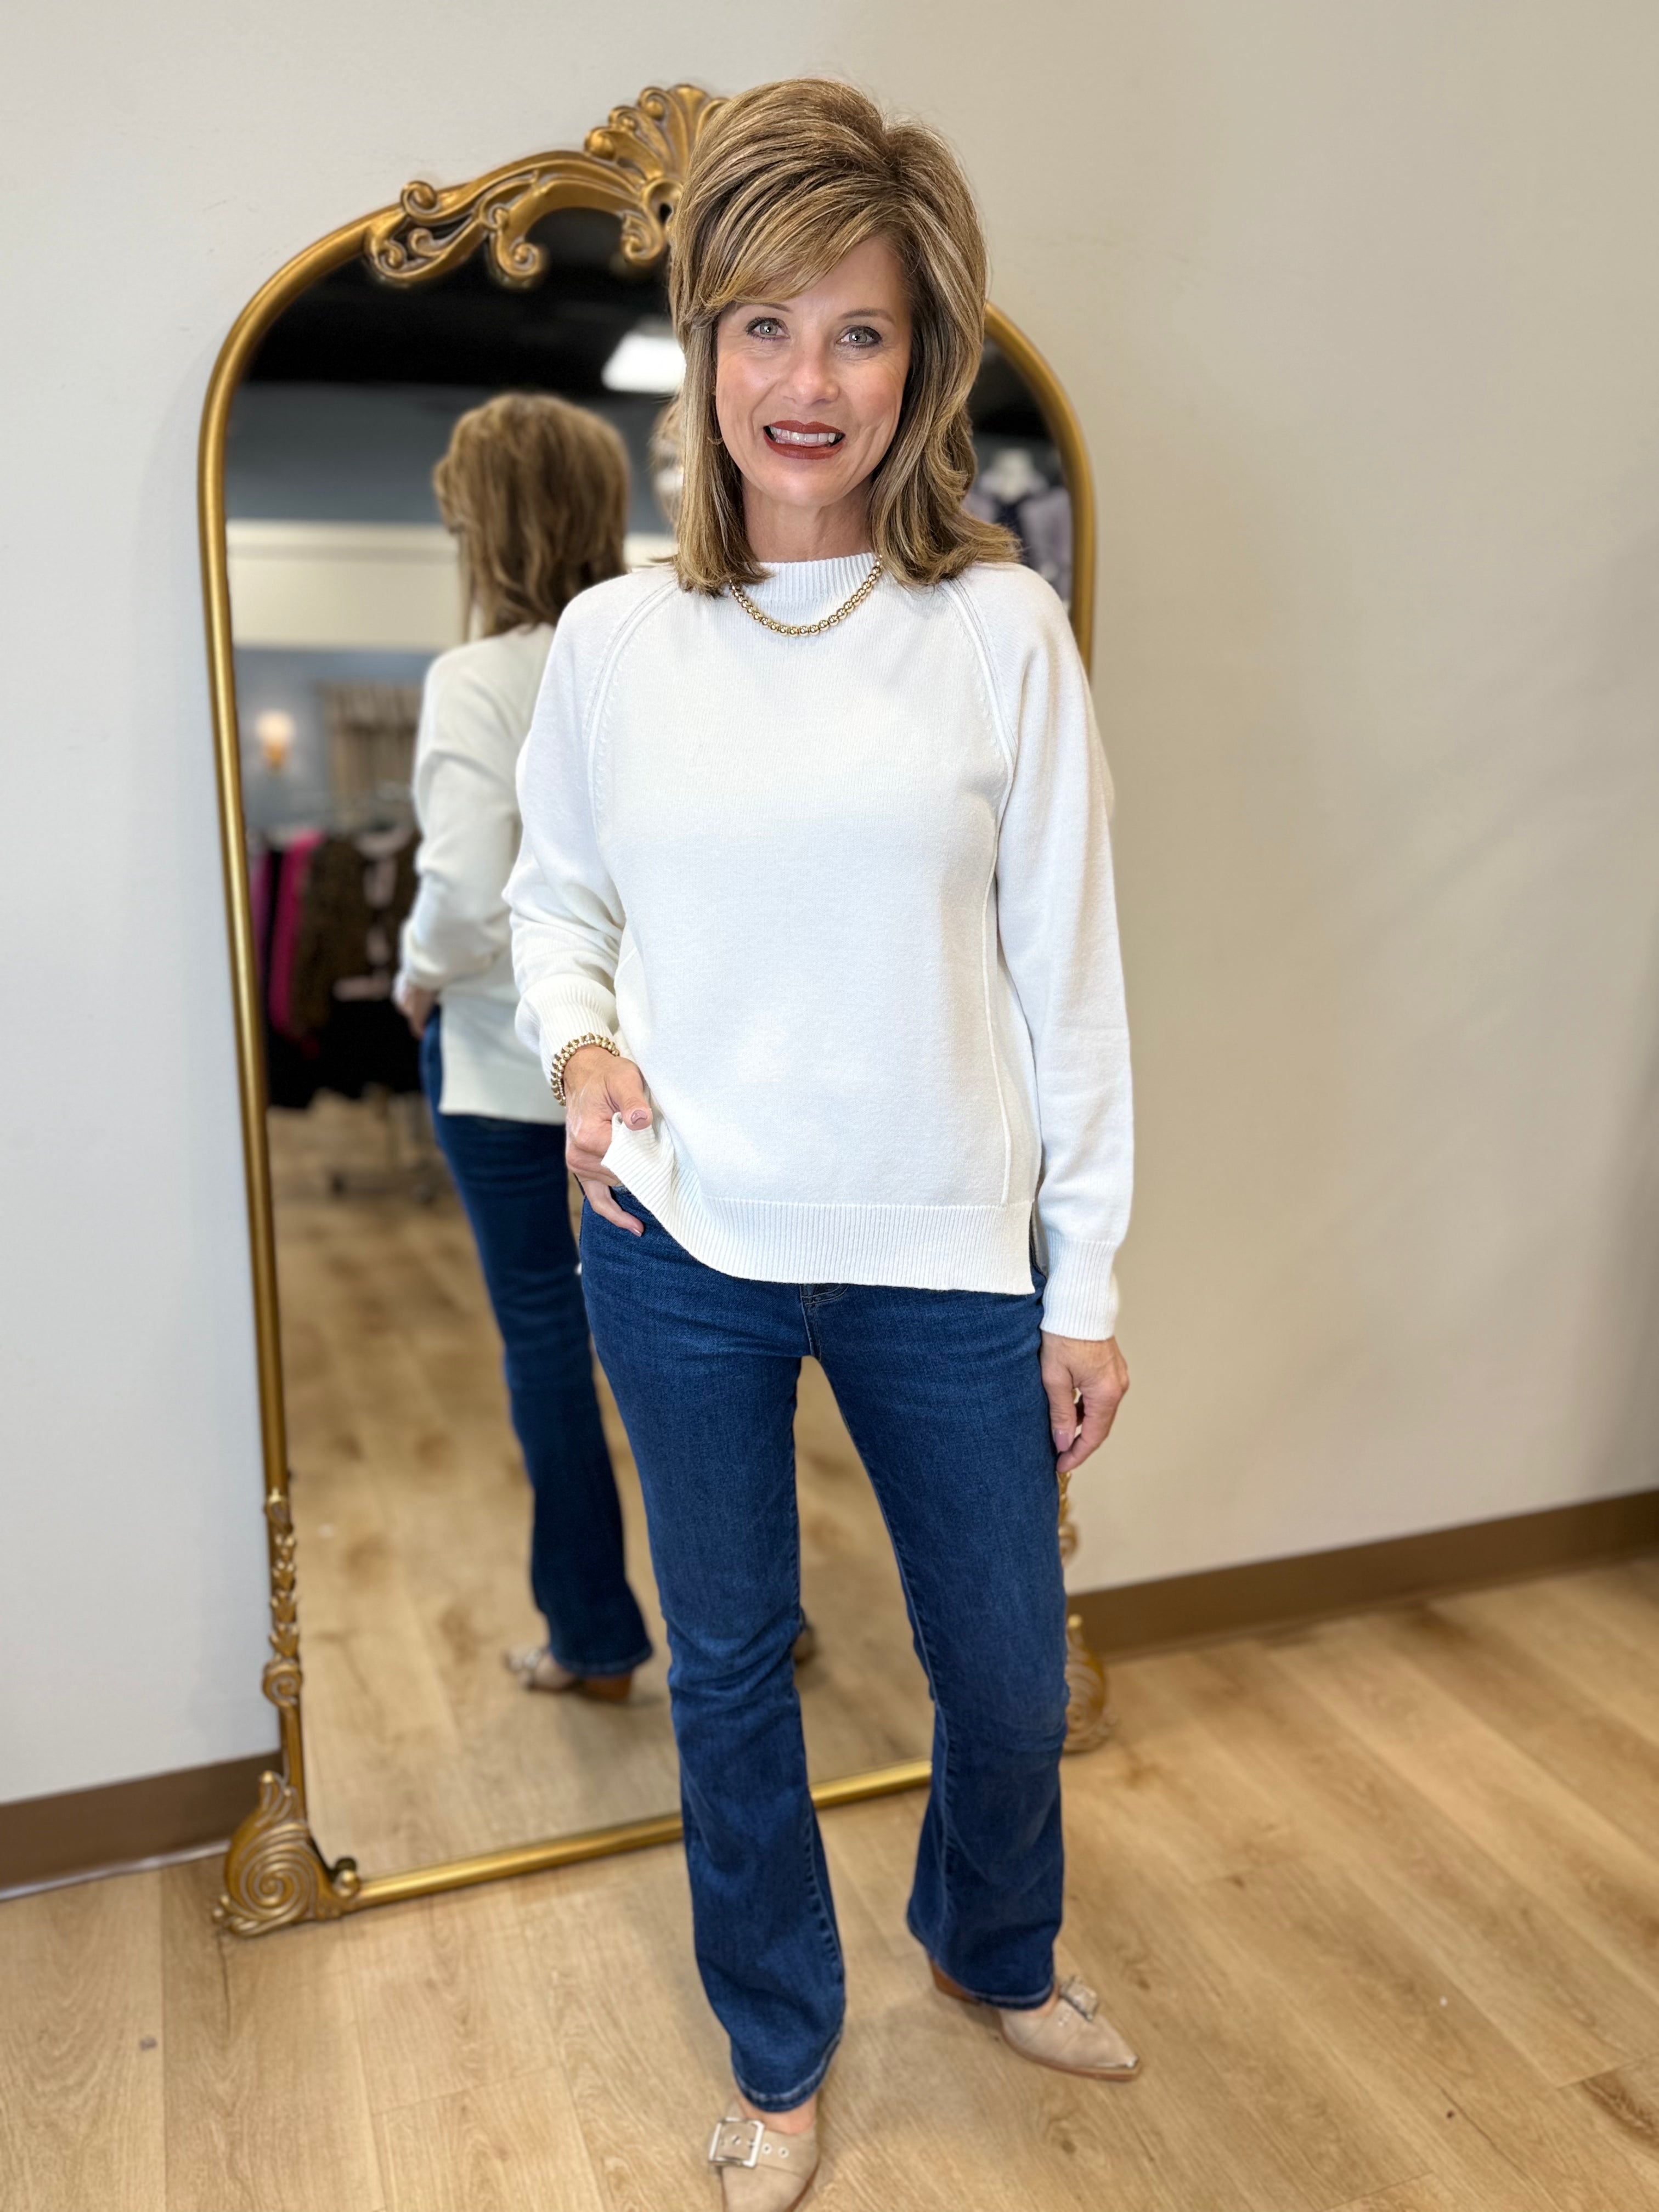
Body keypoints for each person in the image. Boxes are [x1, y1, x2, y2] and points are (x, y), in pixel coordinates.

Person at [509, 80, 1137, 2205]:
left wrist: (1085, 1279)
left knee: (1010, 1674)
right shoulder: (616, 641)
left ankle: (987, 1942)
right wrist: (581, 1043)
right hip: (679, 1240)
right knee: (730, 1678)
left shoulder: (998, 633)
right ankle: (781, 2057)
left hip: (943, 1247)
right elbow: (552, 898)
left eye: (857, 331)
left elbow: (1072, 978)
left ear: (918, 361)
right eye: (763, 326)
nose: (808, 380)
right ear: (703, 351)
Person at [393, 392, 652, 1701]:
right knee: (707, 1344)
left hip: (505, 1061)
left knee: (547, 1340)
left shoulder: (478, 678)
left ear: (480, 527)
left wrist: (414, 976)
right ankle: (760, 1620)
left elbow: (462, 883)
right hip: (648, 1064)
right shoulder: (658, 648)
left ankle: (593, 1637)